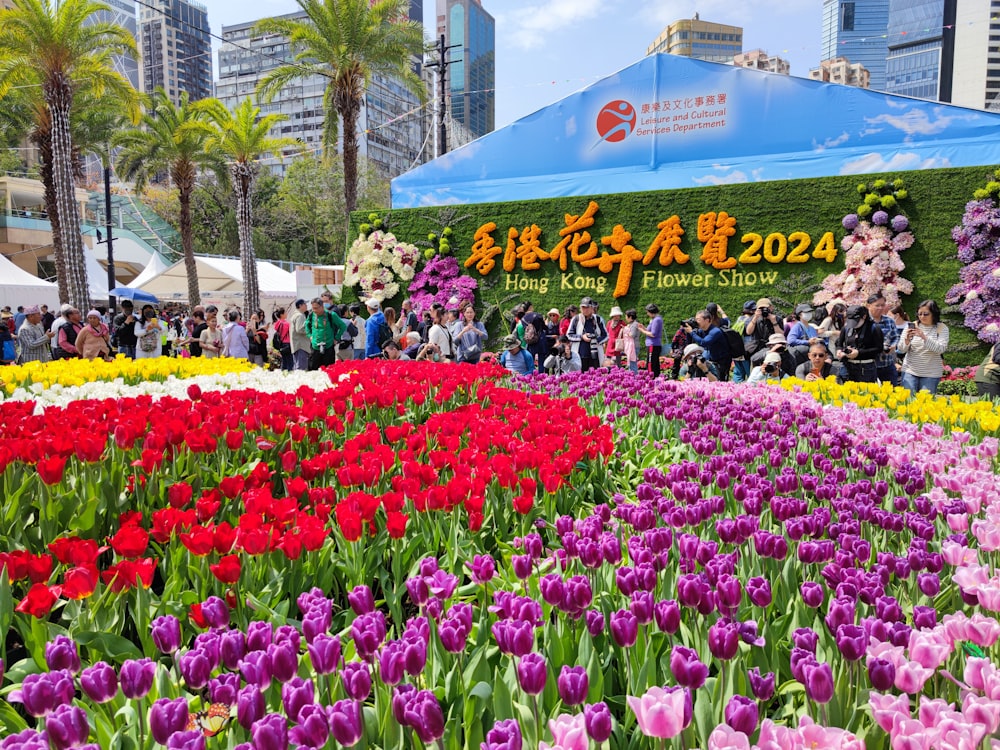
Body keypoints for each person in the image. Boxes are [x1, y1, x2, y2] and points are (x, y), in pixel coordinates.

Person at [897, 299, 949, 395]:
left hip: (931, 373)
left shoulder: (941, 328)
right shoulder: (911, 326)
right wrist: (907, 340)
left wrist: (923, 337)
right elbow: (901, 349)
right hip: (910, 370)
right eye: (920, 314)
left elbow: (941, 349)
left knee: (925, 403)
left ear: (934, 313)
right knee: (908, 402)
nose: (922, 317)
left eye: (926, 314)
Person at [835, 304, 884, 384]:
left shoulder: (874, 328)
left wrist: (859, 353)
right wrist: (839, 351)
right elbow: (839, 343)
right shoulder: (846, 328)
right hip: (848, 366)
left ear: (864, 316)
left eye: (855, 321)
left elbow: (879, 348)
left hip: (866, 367)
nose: (853, 325)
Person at [687, 308, 731, 381]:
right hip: (712, 359)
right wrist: (689, 332)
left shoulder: (715, 331)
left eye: (698, 319)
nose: (696, 322)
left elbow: (703, 343)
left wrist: (691, 332)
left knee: (721, 381)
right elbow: (690, 341)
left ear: (707, 320)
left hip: (722, 361)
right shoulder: (702, 330)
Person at [566, 297, 608, 372]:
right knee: (579, 375)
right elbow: (569, 335)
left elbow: (606, 335)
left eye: (587, 307)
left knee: (595, 375)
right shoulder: (576, 319)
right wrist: (582, 337)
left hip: (595, 354)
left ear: (592, 308)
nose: (584, 309)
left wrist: (595, 340)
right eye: (583, 307)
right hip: (580, 354)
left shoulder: (598, 319)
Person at [868, 293, 899, 386]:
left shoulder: (889, 321)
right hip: (870, 365)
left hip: (887, 363)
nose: (880, 308)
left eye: (882, 305)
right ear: (869, 305)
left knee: (891, 393)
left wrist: (893, 346)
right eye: (877, 305)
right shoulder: (864, 322)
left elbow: (896, 337)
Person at [309, 297, 347, 369]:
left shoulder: (331, 315)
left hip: (328, 346)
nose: (314, 310)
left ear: (322, 306)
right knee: (313, 371)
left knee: (328, 370)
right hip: (315, 347)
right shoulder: (311, 315)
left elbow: (342, 326)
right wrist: (310, 336)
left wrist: (336, 338)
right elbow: (307, 326)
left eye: (316, 308)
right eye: (313, 308)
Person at [744, 297, 782, 366]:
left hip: (772, 347)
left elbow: (781, 335)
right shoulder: (752, 318)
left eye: (766, 308)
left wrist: (774, 322)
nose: (764, 310)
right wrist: (755, 318)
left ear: (771, 308)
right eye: (761, 309)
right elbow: (748, 332)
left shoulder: (777, 319)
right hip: (756, 348)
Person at [730, 300, 757, 383]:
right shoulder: (751, 320)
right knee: (750, 374)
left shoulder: (739, 319)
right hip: (748, 349)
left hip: (736, 350)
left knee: (738, 374)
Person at [636, 303, 664, 377]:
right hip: (654, 344)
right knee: (655, 363)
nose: (647, 313)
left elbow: (653, 334)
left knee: (650, 363)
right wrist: (643, 328)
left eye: (648, 312)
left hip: (653, 344)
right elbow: (651, 331)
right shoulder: (656, 319)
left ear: (651, 312)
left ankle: (650, 378)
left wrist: (642, 331)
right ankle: (656, 378)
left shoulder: (656, 320)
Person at [289, 299, 312, 371]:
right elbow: (299, 329)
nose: (306, 306)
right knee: (301, 369)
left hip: (297, 345)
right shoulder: (300, 316)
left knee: (298, 366)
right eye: (305, 304)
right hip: (301, 346)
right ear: (300, 305)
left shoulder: (295, 315)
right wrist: (311, 331)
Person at [271, 307, 292, 371]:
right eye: (285, 312)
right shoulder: (286, 324)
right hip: (287, 343)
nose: (286, 314)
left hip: (281, 343)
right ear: (281, 315)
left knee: (284, 360)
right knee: (289, 361)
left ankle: (282, 372)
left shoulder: (277, 323)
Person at [621, 309, 640, 373]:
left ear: (630, 317)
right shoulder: (632, 324)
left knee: (633, 363)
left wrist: (626, 330)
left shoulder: (634, 324)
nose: (625, 318)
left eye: (626, 316)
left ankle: (634, 379)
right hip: (632, 347)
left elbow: (632, 335)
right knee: (631, 364)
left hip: (633, 347)